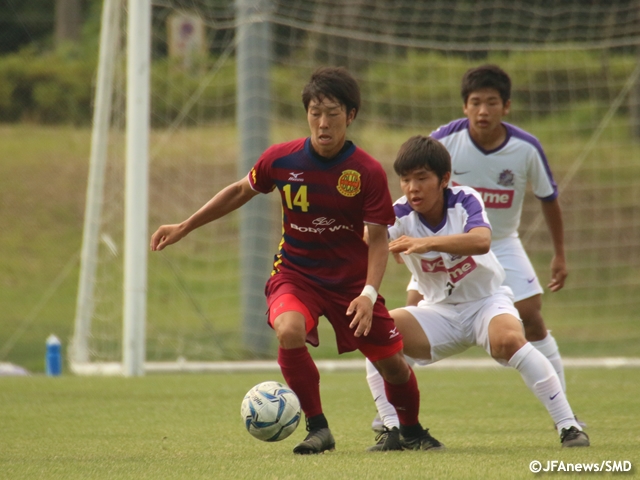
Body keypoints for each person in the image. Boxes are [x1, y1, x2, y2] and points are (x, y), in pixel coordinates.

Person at [150, 67, 441, 454]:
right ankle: (318, 427)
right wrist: (185, 226)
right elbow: (239, 191)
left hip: (351, 285)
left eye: (332, 114)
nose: (323, 123)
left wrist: (369, 294)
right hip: (296, 275)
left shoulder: (367, 172)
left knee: (393, 364)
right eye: (315, 113)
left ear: (351, 115)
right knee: (288, 330)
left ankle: (412, 431)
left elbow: (376, 240)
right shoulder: (281, 158)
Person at [372, 63, 579, 433]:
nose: (414, 186)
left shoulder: (486, 181)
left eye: (491, 102)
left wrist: (560, 253)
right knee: (382, 332)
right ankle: (394, 422)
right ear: (464, 106)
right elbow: (369, 241)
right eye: (407, 179)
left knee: (525, 322)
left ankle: (568, 421)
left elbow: (486, 239)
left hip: (497, 252)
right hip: (440, 295)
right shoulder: (432, 158)